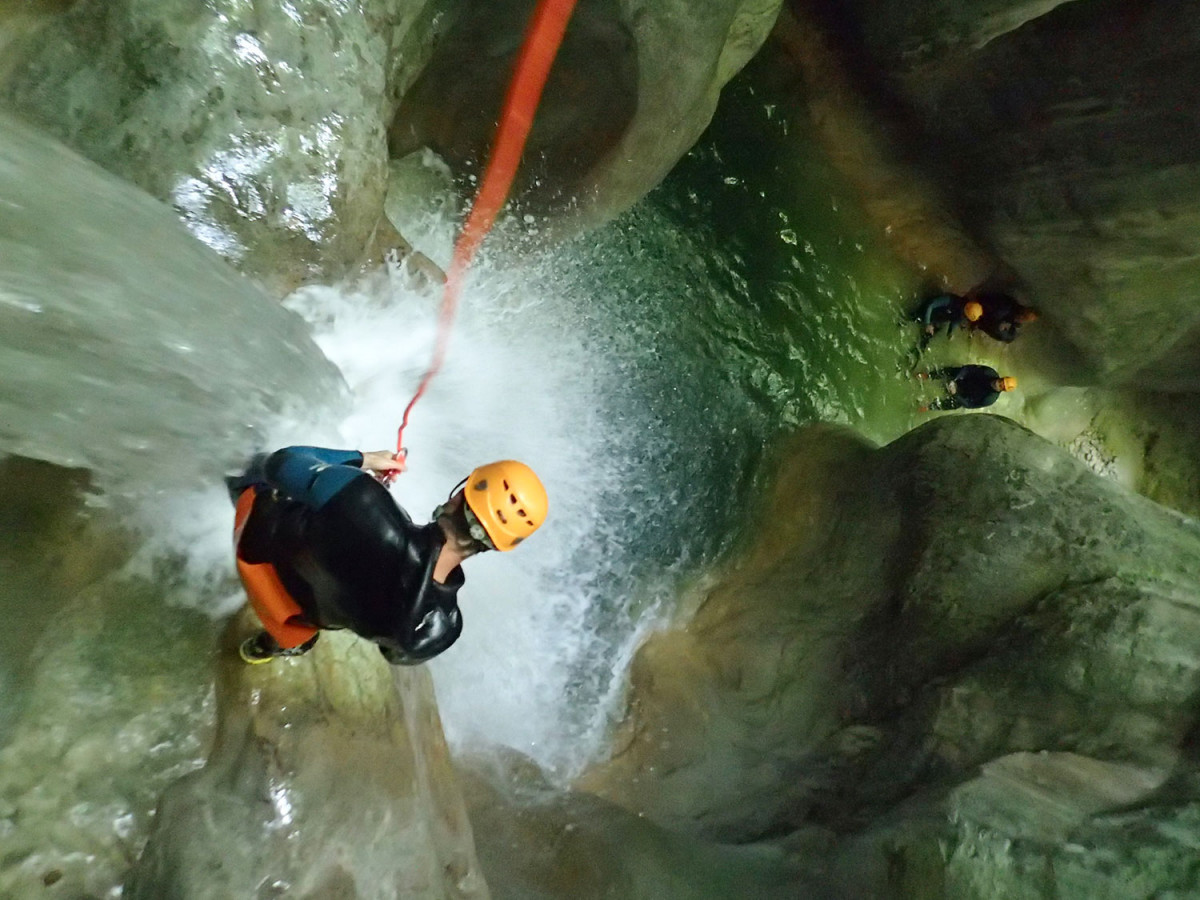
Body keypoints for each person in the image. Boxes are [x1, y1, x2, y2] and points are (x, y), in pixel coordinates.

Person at [228, 446, 548, 665]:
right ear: (495, 545)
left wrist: (363, 460)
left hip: (257, 553)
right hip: (296, 616)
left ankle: (228, 477)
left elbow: (283, 463)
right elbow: (392, 654)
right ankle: (272, 645)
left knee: (257, 465)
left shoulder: (362, 499)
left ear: (461, 495)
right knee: (302, 624)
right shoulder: (441, 626)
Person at [917, 365, 1017, 411]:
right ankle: (928, 375)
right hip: (963, 380)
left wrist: (955, 394)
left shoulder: (990, 399)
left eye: (1000, 386)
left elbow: (969, 405)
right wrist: (956, 378)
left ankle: (927, 407)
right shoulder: (989, 372)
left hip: (962, 394)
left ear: (1002, 390)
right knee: (955, 370)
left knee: (954, 404)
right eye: (1000, 381)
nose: (997, 383)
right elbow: (968, 369)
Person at [910, 293, 984, 351]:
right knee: (913, 318)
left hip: (937, 319)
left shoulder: (963, 314)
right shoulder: (951, 300)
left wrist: (950, 332)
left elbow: (955, 321)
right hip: (928, 312)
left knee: (925, 340)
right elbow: (930, 305)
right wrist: (927, 324)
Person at [970, 292, 1039, 343]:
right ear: (1025, 309)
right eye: (1024, 315)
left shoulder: (1014, 326)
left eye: (1025, 318)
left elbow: (1008, 338)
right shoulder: (1007, 305)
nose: (1022, 318)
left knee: (1008, 335)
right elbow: (984, 300)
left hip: (980, 318)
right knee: (1002, 311)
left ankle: (976, 322)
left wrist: (1003, 328)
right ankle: (975, 320)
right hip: (978, 308)